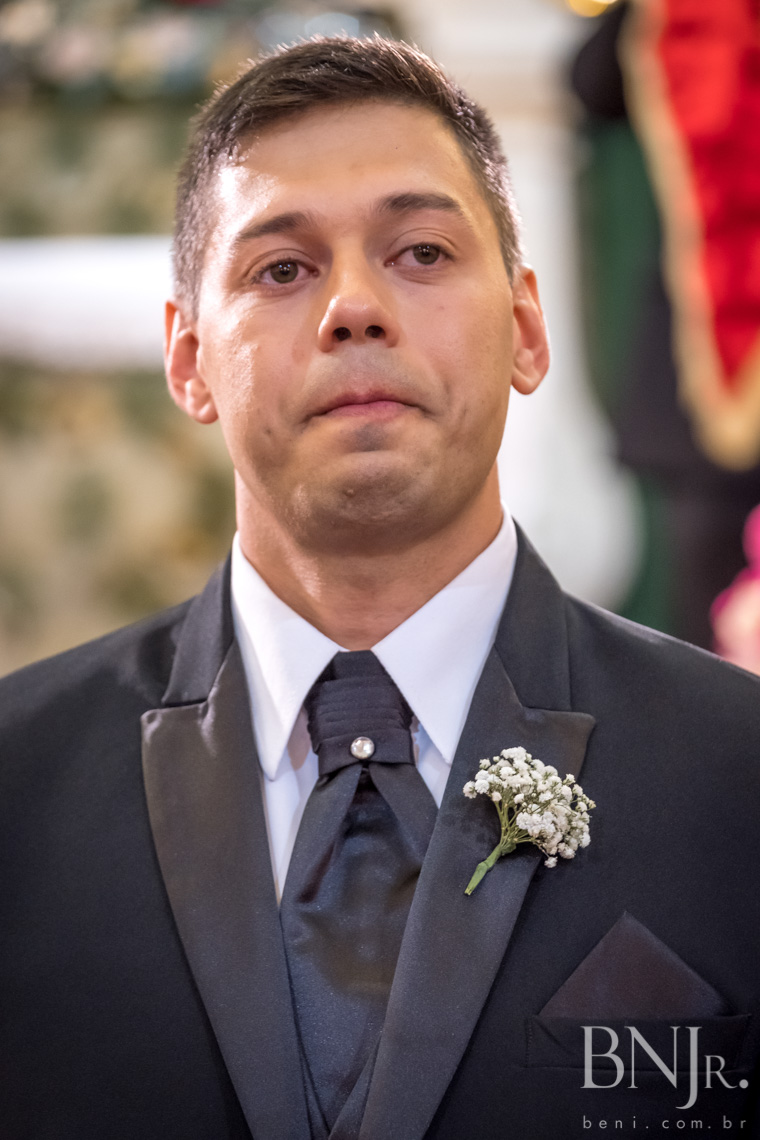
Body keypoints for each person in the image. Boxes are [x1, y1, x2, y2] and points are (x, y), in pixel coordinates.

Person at [1, 36, 759, 1140]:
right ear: (188, 359)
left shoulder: (740, 774)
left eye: (420, 252)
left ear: (527, 328)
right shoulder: (16, 785)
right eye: (281, 269)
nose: (354, 308)